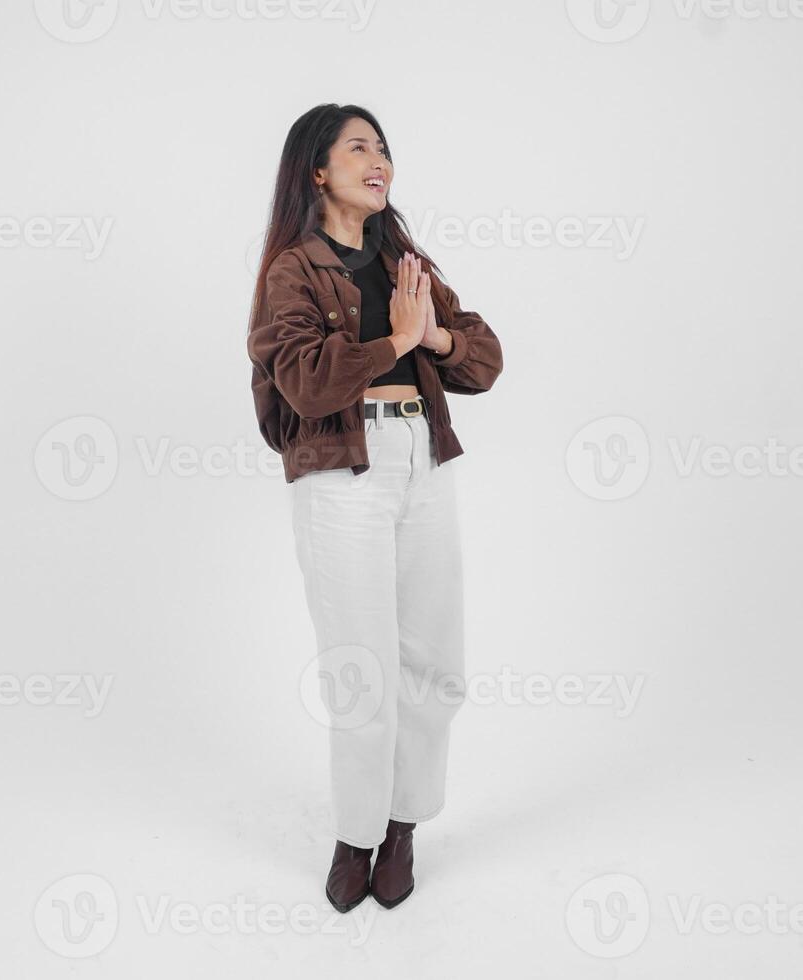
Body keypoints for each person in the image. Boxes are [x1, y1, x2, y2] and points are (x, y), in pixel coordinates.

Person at [246, 103, 503, 912]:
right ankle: (355, 836)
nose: (379, 158)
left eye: (385, 147)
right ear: (317, 171)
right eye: (359, 146)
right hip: (341, 472)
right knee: (362, 669)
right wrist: (393, 342)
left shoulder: (406, 261)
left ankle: (402, 826)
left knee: (436, 664)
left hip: (424, 459)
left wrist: (431, 337)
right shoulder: (292, 269)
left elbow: (486, 360)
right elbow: (307, 382)